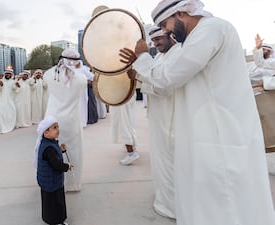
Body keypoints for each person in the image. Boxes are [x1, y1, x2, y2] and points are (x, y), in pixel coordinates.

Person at [119, 0, 275, 224]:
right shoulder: (197, 37)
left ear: (181, 13)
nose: (166, 31)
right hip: (208, 135)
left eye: (165, 24)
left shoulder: (210, 30)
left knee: (225, 206)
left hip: (220, 137)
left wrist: (143, 57)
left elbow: (168, 77)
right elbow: (164, 82)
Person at [138, 26, 178, 218]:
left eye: (159, 39)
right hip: (158, 119)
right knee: (160, 161)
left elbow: (165, 87)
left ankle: (173, 207)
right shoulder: (160, 57)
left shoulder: (178, 54)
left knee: (171, 162)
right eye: (153, 41)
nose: (156, 43)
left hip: (171, 120)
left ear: (172, 36)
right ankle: (164, 199)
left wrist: (141, 64)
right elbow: (153, 79)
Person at [43, 48, 87, 192]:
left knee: (52, 150)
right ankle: (73, 184)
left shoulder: (49, 74)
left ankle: (55, 182)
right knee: (73, 151)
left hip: (52, 120)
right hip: (72, 120)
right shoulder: (81, 78)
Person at [35, 116, 73, 225]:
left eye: (58, 126)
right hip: (52, 182)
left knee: (49, 201)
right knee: (55, 202)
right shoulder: (49, 147)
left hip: (48, 181)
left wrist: (61, 150)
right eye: (55, 127)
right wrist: (67, 166)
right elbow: (55, 164)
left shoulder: (49, 143)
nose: (58, 129)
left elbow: (52, 157)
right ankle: (56, 221)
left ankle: (50, 218)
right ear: (46, 133)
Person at [111, 92, 138, 165]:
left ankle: (131, 152)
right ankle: (133, 149)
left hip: (122, 94)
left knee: (123, 123)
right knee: (128, 122)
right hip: (127, 93)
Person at [0, 69, 16, 133]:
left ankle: (10, 126)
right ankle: (2, 127)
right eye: (7, 73)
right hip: (1, 100)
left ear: (12, 75)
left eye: (10, 74)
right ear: (4, 74)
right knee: (2, 114)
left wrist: (17, 87)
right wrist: (0, 85)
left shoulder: (13, 81)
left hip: (10, 101)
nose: (8, 75)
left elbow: (16, 91)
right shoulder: (0, 80)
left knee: (11, 113)